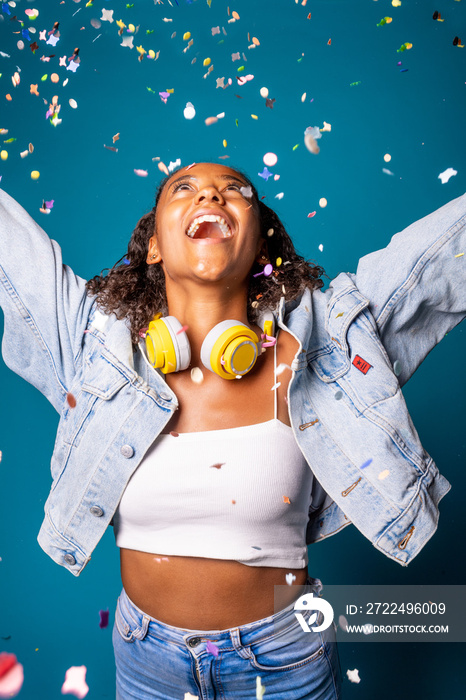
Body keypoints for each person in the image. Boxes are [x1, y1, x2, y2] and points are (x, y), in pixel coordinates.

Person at [0, 163, 464, 700]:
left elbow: (438, 258)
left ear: (261, 247)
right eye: (185, 189)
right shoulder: (93, 347)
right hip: (146, 658)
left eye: (235, 191)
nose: (211, 194)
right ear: (153, 245)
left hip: (286, 657)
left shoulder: (327, 340)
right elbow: (15, 253)